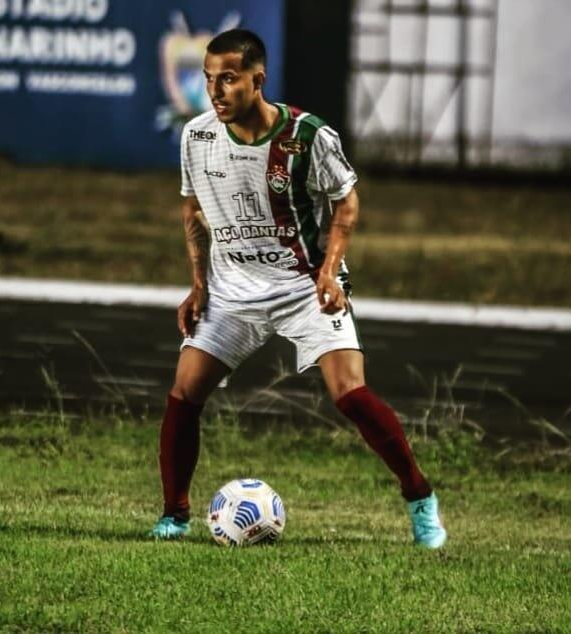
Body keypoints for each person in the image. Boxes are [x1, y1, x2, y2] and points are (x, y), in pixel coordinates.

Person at [152, 28, 447, 549]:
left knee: (350, 394)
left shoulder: (308, 136)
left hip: (303, 286)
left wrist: (331, 270)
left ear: (257, 80)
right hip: (232, 289)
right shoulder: (196, 136)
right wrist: (198, 285)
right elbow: (193, 210)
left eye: (227, 79)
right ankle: (175, 515)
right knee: (184, 391)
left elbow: (346, 201)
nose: (214, 91)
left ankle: (420, 498)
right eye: (208, 80)